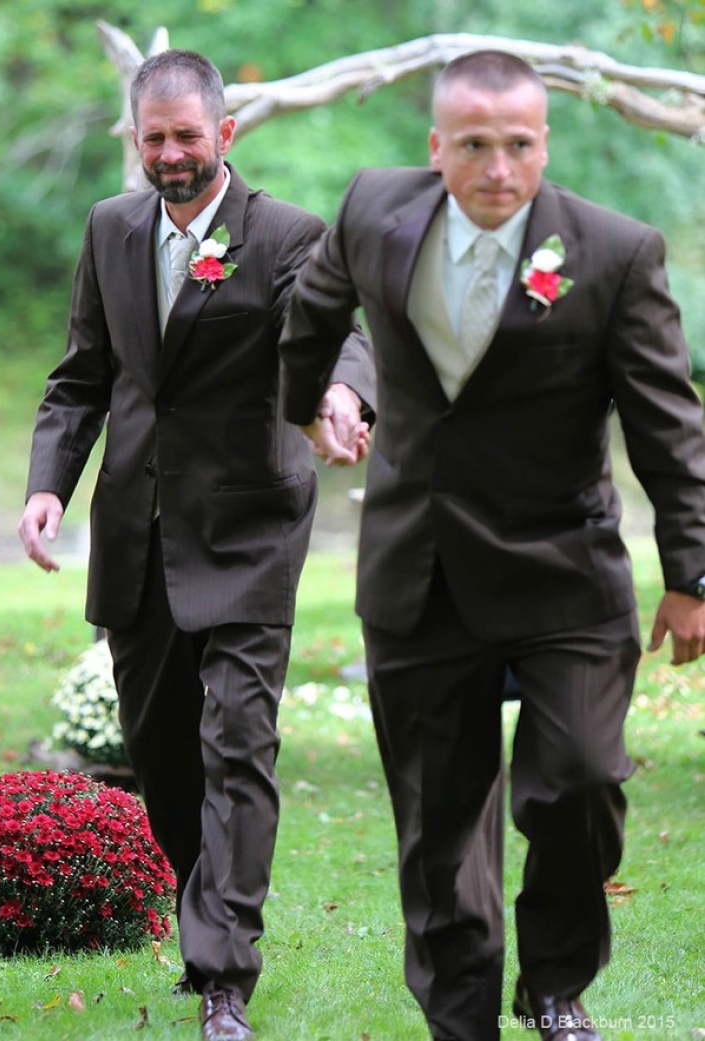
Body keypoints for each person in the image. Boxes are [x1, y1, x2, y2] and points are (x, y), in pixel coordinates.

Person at [279, 49, 705, 1041]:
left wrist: (691, 574)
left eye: (519, 145)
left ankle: (556, 985)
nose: (499, 168)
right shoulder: (373, 211)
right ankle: (460, 1014)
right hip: (419, 568)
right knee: (438, 827)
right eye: (475, 145)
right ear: (438, 147)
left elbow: (667, 430)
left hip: (566, 570)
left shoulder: (614, 252)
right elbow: (312, 310)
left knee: (583, 780)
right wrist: (317, 402)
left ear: (543, 144)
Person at [18, 49, 374, 1041]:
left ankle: (225, 976)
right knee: (163, 756)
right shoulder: (111, 227)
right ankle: (200, 914)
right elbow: (83, 375)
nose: (171, 154)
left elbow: (333, 330)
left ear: (226, 133)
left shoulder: (287, 235)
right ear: (136, 140)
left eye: (188, 135)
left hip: (250, 529)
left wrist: (342, 395)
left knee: (236, 745)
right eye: (154, 137)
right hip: (135, 536)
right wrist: (50, 487)